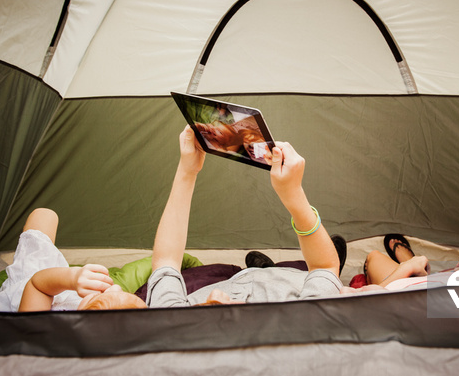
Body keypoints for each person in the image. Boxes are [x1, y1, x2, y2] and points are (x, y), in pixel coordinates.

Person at [146, 126, 342, 307]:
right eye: (226, 315)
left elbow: (166, 263)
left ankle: (262, 267)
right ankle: (270, 266)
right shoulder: (307, 317)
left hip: (244, 280)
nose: (216, 297)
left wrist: (187, 170)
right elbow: (324, 266)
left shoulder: (170, 318)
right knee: (325, 266)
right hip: (294, 280)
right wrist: (293, 194)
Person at [0, 208, 147, 312]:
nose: (116, 287)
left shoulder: (36, 326)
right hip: (60, 289)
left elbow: (37, 285)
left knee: (44, 215)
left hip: (33, 286)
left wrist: (73, 277)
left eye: (97, 298)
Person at [341, 234, 459, 294]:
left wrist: (406, 268)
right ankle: (414, 264)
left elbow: (373, 301)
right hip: (442, 282)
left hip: (409, 286)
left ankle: (411, 262)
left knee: (374, 257)